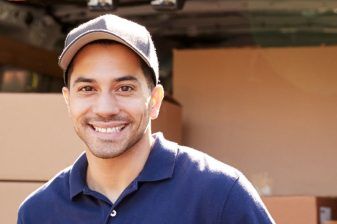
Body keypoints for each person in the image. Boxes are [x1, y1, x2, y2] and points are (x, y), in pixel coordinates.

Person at [17, 14, 275, 224]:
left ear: (154, 100)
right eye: (88, 89)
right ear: (68, 99)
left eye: (124, 88)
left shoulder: (219, 194)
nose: (105, 108)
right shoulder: (39, 212)